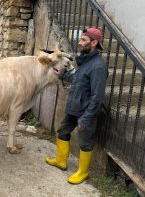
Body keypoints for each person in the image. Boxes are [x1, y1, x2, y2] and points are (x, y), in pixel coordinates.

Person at [45, 28, 108, 184]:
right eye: (81, 39)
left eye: (84, 40)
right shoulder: (86, 60)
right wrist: (63, 74)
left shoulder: (98, 67)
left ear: (94, 43)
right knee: (63, 131)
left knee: (85, 142)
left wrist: (86, 119)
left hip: (86, 112)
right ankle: (61, 161)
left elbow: (97, 97)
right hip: (74, 108)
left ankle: (83, 172)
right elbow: (79, 80)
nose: (80, 43)